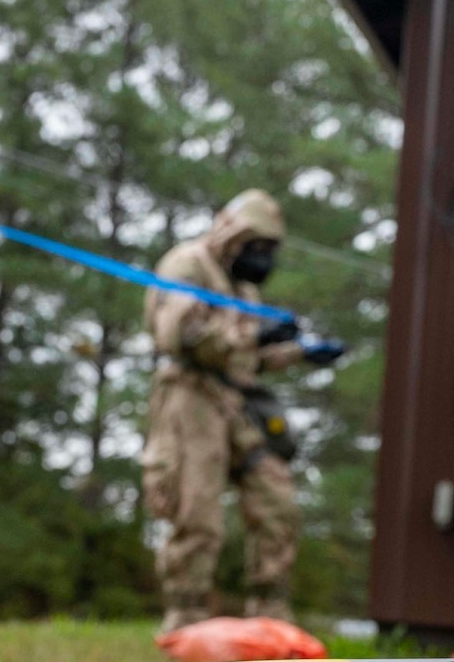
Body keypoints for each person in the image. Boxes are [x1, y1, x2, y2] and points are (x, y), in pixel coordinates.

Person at [141, 189, 343, 632]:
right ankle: (186, 620)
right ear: (233, 238)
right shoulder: (188, 265)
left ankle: (270, 617)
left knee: (277, 503)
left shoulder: (244, 287)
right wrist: (256, 334)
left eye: (271, 251)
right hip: (190, 398)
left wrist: (300, 352)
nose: (264, 260)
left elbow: (250, 359)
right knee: (197, 512)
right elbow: (181, 337)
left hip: (239, 402)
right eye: (258, 249)